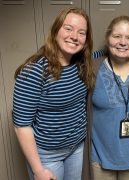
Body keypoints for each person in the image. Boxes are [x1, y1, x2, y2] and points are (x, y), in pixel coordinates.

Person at [12, 7, 94, 180]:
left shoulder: (83, 63)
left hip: (76, 148)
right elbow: (22, 126)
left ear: (86, 39)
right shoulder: (34, 71)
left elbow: (111, 50)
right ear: (56, 30)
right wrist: (38, 170)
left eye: (81, 32)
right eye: (68, 28)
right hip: (47, 155)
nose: (74, 36)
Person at [87, 16, 129, 180]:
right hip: (100, 159)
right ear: (107, 39)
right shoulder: (92, 68)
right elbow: (76, 55)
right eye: (117, 36)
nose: (123, 42)